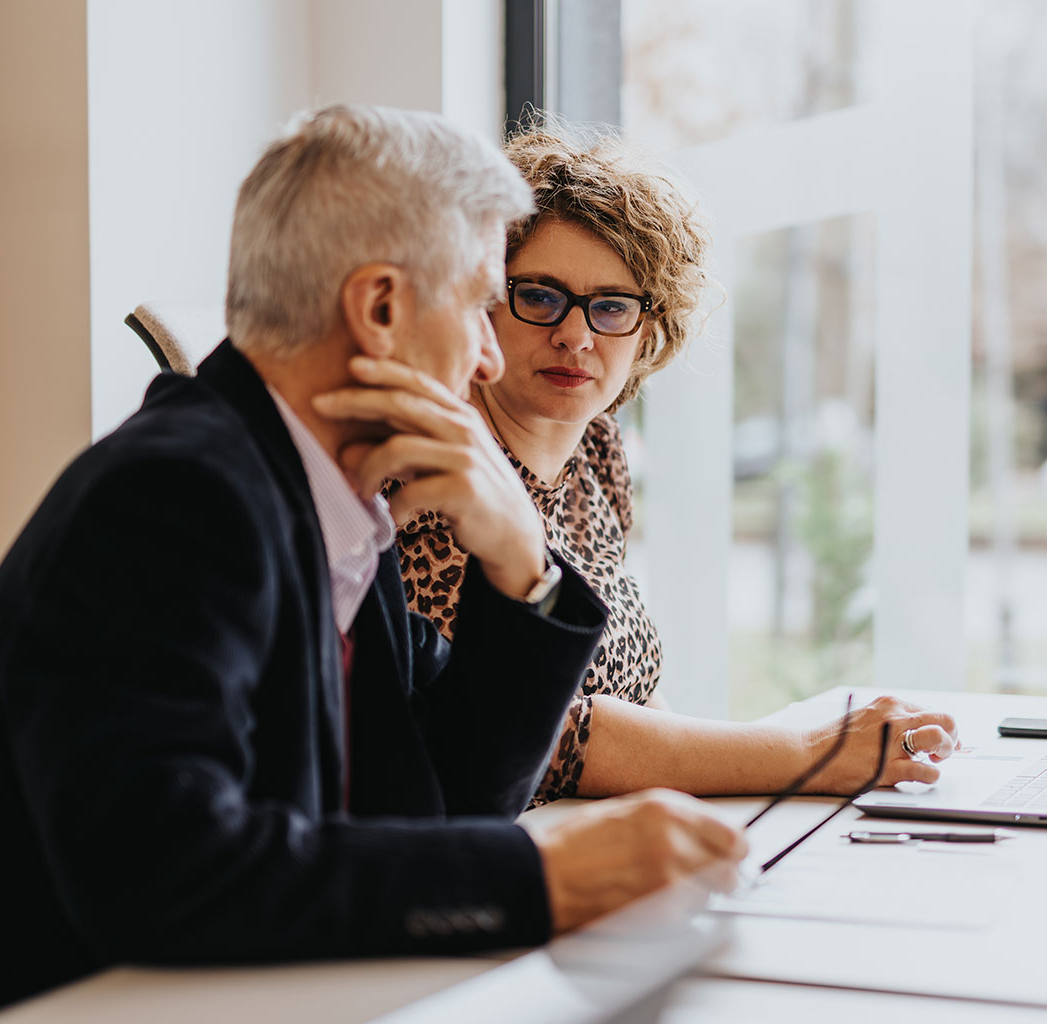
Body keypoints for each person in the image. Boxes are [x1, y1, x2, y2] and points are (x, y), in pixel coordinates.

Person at [0, 106, 746, 1024]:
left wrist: (521, 559)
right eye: (482, 305)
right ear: (381, 309)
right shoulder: (175, 496)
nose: (487, 356)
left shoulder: (336, 500)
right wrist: (545, 872)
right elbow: (165, 873)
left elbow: (447, 799)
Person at [395, 125, 960, 806]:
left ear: (648, 328)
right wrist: (811, 755)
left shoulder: (597, 449)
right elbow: (547, 734)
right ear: (483, 300)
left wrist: (750, 800)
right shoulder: (438, 463)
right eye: (540, 296)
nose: (575, 335)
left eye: (610, 307)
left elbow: (631, 699)